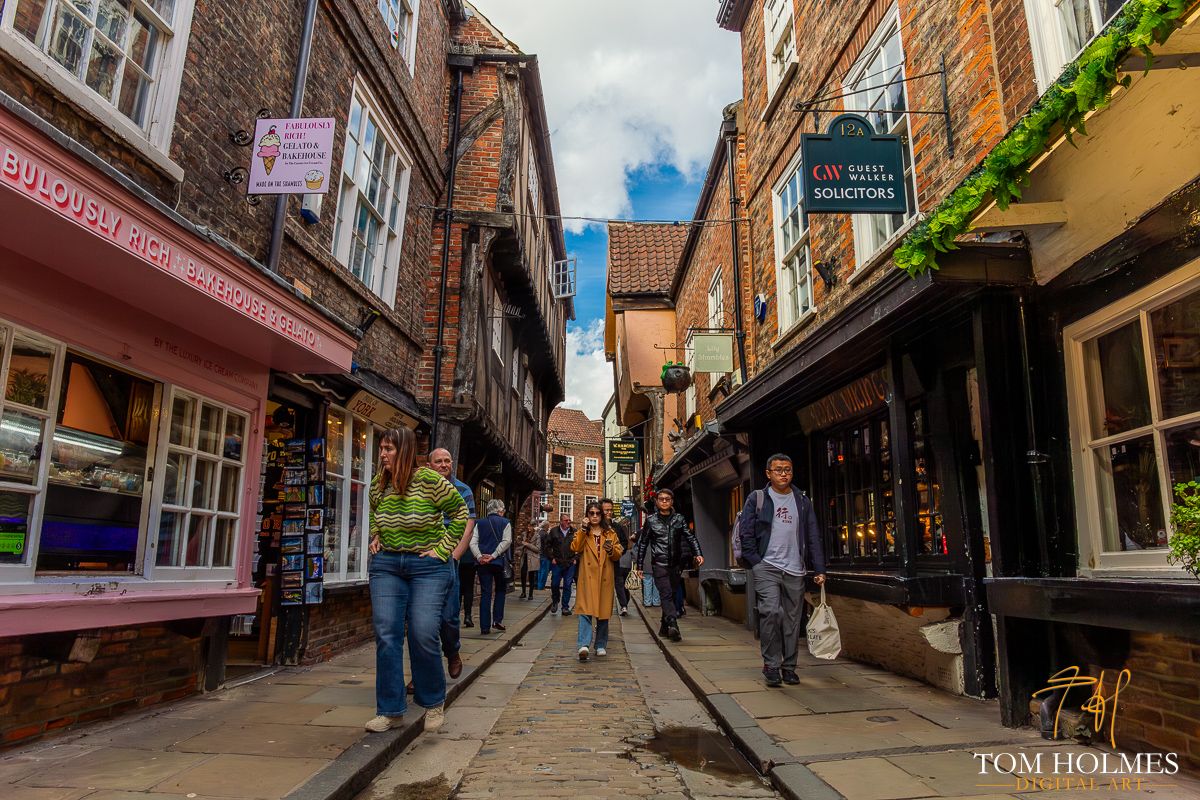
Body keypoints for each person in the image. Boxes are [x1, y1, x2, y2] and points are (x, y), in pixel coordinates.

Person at [366, 428, 467, 733]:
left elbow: (460, 513)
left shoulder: (430, 481)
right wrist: (376, 534)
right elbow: (373, 511)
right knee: (387, 635)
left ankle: (434, 703)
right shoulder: (378, 484)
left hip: (428, 566)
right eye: (382, 448)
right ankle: (390, 710)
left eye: (389, 449)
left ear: (406, 451)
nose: (383, 454)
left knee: (423, 632)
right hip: (387, 566)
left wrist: (442, 550)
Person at [737, 453, 827, 688]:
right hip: (767, 566)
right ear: (768, 473)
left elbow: (813, 535)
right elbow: (745, 534)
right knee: (771, 612)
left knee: (792, 621)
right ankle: (771, 665)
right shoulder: (757, 498)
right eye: (778, 470)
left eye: (787, 469)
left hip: (795, 569)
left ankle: (789, 667)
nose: (783, 474)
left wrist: (819, 568)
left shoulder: (802, 500)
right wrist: (756, 562)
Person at [427, 448, 475, 681]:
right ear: (430, 465)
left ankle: (453, 651)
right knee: (422, 619)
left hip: (447, 559)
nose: (444, 465)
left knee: (448, 616)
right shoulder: (421, 488)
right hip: (423, 560)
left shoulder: (463, 490)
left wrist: (454, 555)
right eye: (439, 461)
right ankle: (423, 670)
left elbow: (467, 526)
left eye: (447, 461)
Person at [634, 488, 702, 642]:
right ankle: (673, 623)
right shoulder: (651, 521)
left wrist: (698, 553)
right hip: (659, 563)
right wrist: (639, 566)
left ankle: (664, 627)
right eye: (661, 499)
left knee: (670, 594)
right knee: (665, 593)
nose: (664, 501)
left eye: (667, 499)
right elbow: (643, 544)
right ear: (657, 502)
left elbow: (690, 537)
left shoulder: (679, 519)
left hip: (675, 565)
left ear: (672, 501)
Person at [571, 501, 623, 661]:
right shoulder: (583, 533)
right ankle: (584, 644)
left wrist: (611, 550)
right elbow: (575, 548)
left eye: (597, 513)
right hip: (588, 577)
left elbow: (618, 553)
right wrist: (583, 529)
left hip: (605, 577)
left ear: (601, 515)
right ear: (587, 515)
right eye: (591, 513)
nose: (594, 516)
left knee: (603, 613)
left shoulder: (610, 533)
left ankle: (600, 644)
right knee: (585, 611)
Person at [471, 499, 512, 634]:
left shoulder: (479, 523)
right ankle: (497, 620)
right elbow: (507, 542)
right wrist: (493, 555)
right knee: (500, 590)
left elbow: (473, 542)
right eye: (503, 510)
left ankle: (484, 627)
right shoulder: (505, 522)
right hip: (498, 562)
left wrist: (480, 557)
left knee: (485, 593)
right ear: (500, 510)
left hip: (483, 564)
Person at [601, 498, 632, 616]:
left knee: (619, 583)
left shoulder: (617, 527)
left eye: (610, 510)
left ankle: (623, 605)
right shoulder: (596, 526)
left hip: (614, 561)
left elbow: (624, 542)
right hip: (600, 562)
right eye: (606, 510)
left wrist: (619, 551)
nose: (609, 512)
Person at [545, 513, 577, 615]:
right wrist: (551, 558)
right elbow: (547, 546)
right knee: (554, 584)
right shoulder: (554, 532)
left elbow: (580, 547)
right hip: (557, 562)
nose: (569, 522)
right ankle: (555, 600)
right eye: (566, 520)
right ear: (561, 521)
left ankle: (565, 607)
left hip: (570, 562)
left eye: (569, 520)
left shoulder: (574, 532)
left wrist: (576, 558)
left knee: (568, 585)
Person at [516, 518, 541, 600]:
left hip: (533, 558)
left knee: (531, 576)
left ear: (534, 526)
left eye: (531, 526)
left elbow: (537, 549)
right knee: (523, 575)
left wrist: (527, 544)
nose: (529, 528)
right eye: (528, 526)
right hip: (524, 556)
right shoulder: (524, 534)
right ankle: (523, 592)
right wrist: (519, 542)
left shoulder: (537, 536)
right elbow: (520, 544)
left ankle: (530, 594)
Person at [535, 506, 554, 589]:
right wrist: (550, 556)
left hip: (538, 554)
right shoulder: (545, 534)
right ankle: (541, 586)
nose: (548, 527)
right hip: (545, 555)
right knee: (544, 572)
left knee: (539, 571)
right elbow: (547, 546)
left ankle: (538, 585)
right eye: (548, 526)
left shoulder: (538, 533)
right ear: (546, 526)